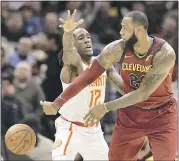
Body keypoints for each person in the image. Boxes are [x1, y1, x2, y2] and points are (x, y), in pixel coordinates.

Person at [41, 10, 177, 160]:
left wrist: (106, 107)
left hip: (161, 113)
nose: (120, 32)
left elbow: (142, 93)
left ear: (138, 30)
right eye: (121, 27)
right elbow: (83, 73)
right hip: (124, 115)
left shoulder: (164, 53)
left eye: (124, 28)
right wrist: (57, 103)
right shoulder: (114, 50)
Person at [41, 10, 124, 160]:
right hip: (71, 128)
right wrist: (67, 33)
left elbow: (124, 88)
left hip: (94, 130)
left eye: (88, 37)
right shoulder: (72, 66)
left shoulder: (102, 63)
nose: (87, 40)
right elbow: (68, 51)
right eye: (80, 38)